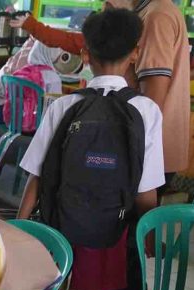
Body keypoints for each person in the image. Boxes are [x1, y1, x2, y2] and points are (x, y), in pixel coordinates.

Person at [17, 9, 164, 290]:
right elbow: (146, 190)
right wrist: (146, 237)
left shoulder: (64, 105)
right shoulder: (146, 110)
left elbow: (37, 174)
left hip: (59, 221)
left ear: (85, 54)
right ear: (135, 53)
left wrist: (21, 224)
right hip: (111, 226)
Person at [13, 2, 190, 180]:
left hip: (141, 149)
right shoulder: (148, 14)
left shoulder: (156, 17)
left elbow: (152, 103)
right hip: (133, 147)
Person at [0, 40, 63, 104]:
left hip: (15, 114)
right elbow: (55, 105)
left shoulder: (23, 70)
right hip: (40, 115)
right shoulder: (53, 78)